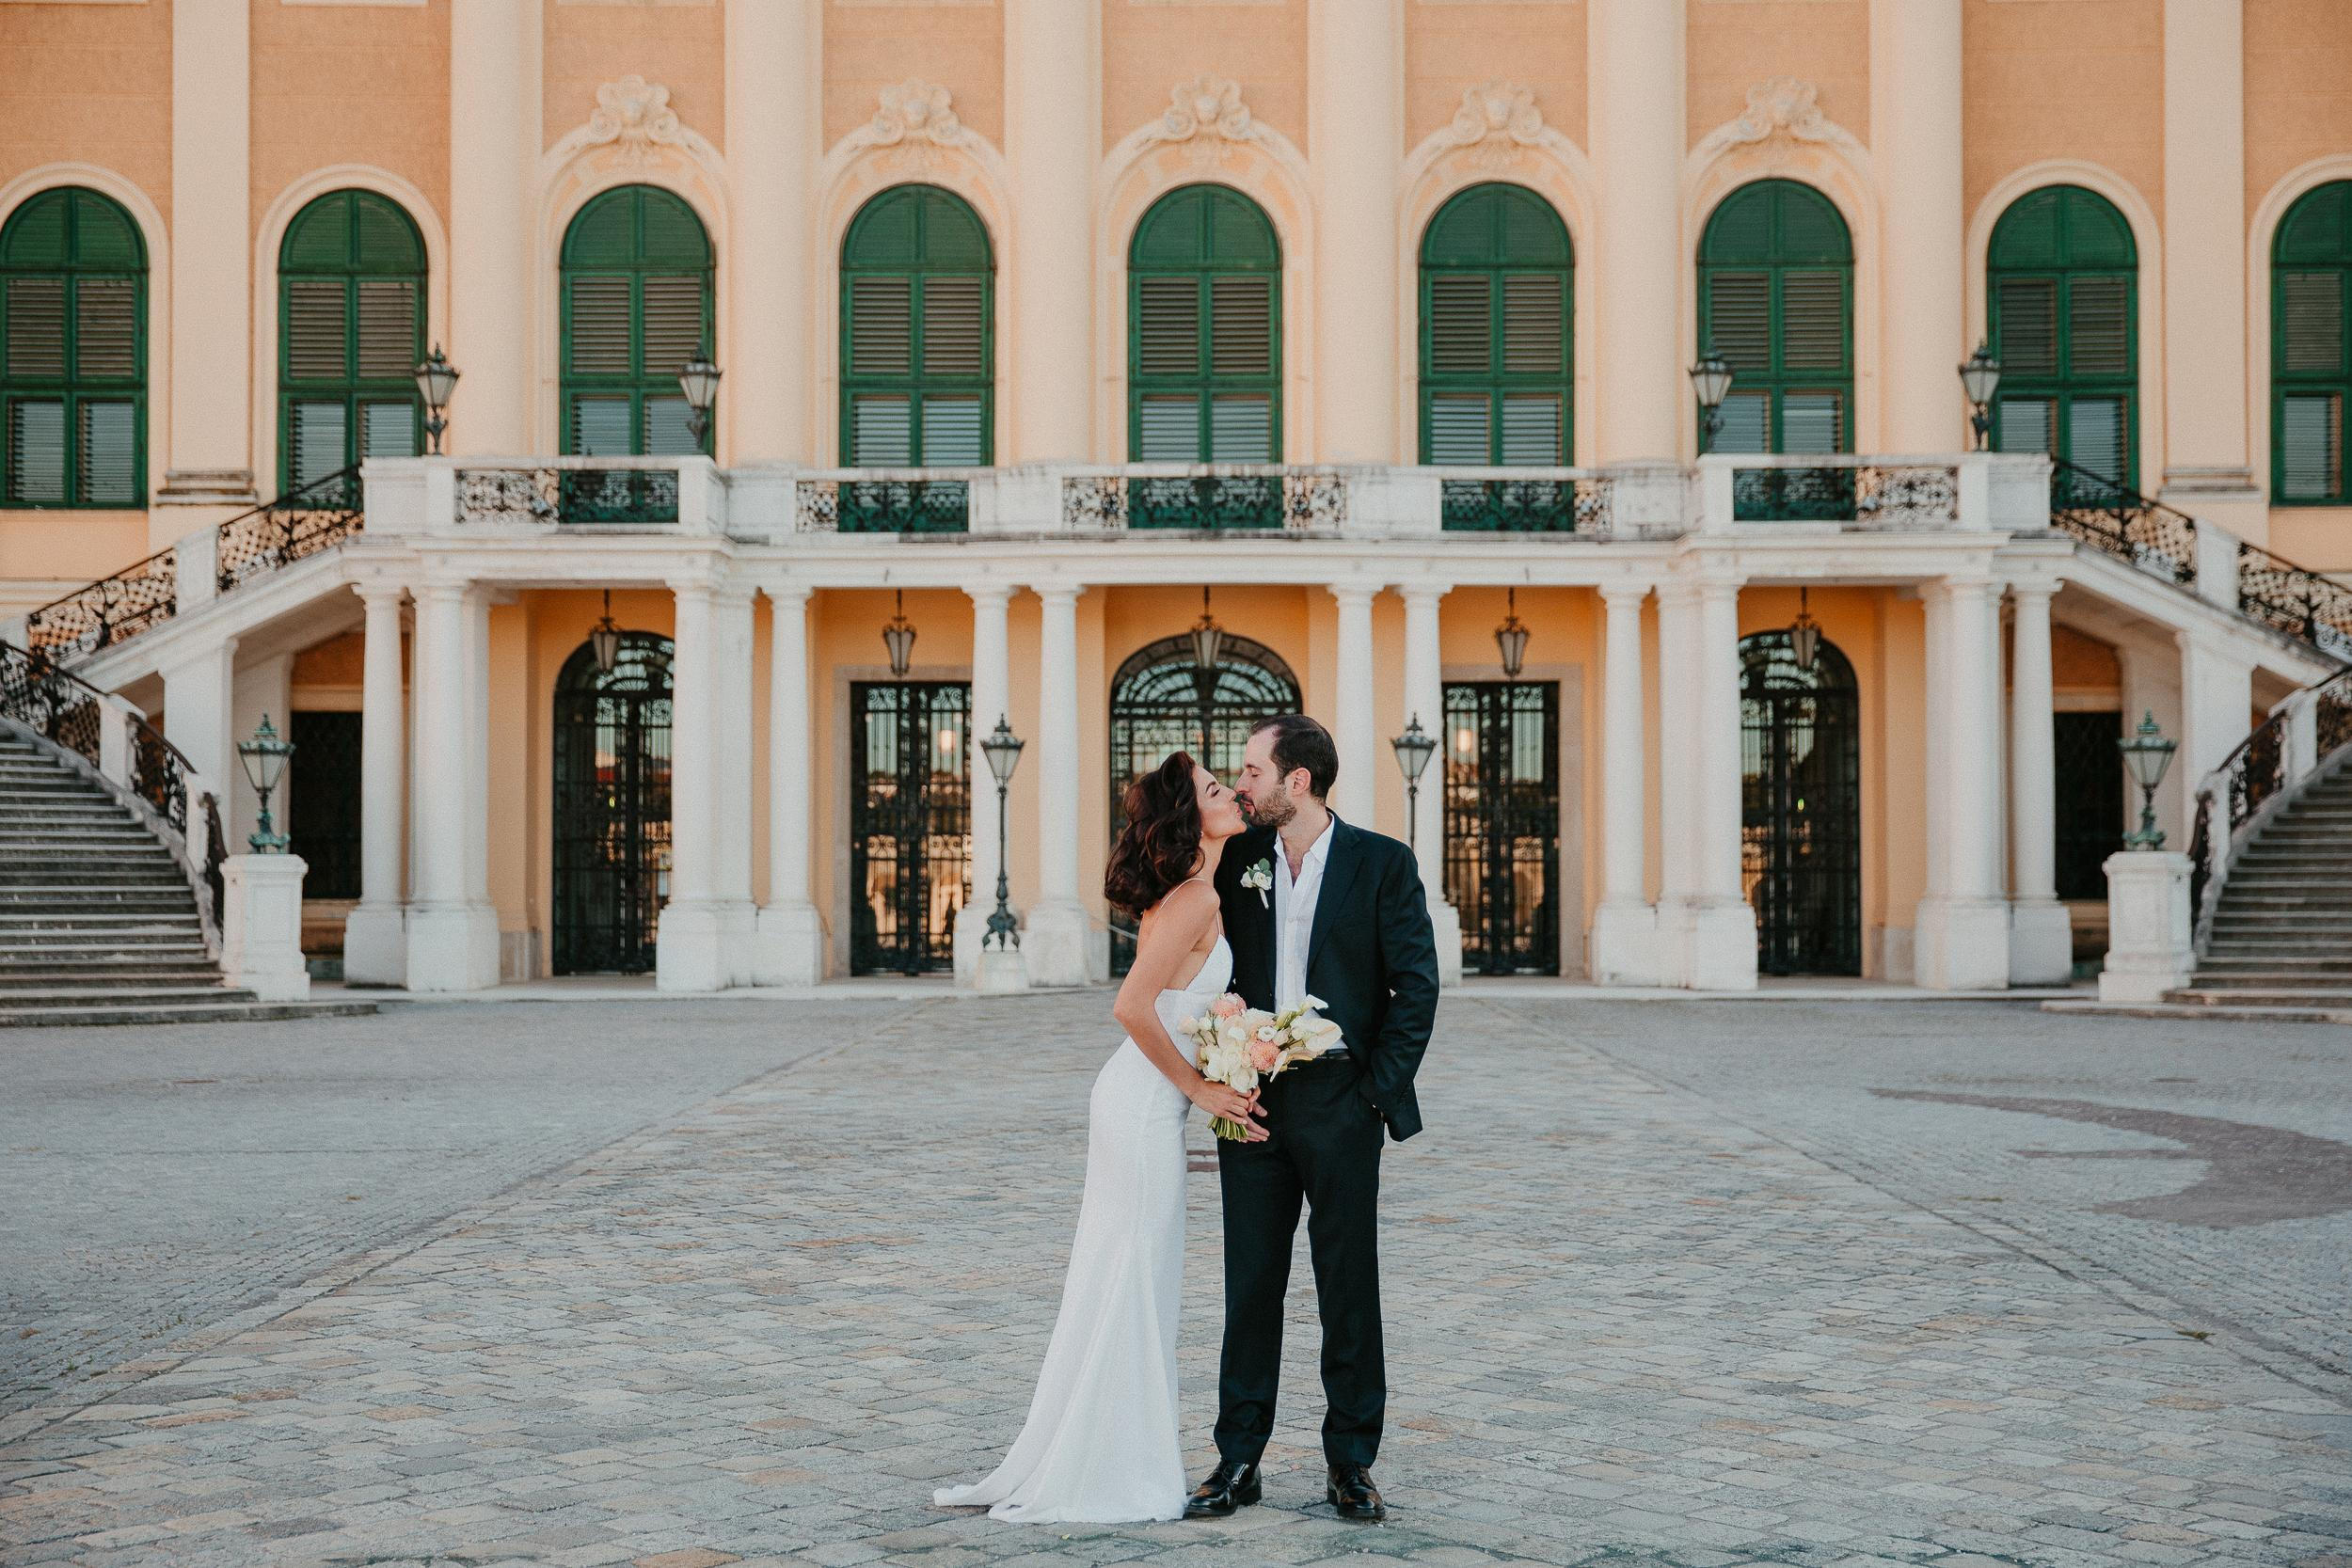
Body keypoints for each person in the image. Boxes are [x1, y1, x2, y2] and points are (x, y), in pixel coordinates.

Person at [932, 752, 1263, 1523]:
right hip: (1144, 1106)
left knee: (1128, 1277)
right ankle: (1114, 1469)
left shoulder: (1200, 894)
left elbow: (1175, 1000)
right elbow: (1131, 1005)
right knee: (1135, 1281)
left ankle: (1113, 1450)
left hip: (1141, 1102)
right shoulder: (1192, 898)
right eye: (1218, 790)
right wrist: (1200, 1085)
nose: (1233, 795)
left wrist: (1225, 1024)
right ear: (1192, 818)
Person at [1184, 713, 1440, 1525]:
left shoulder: (1383, 864)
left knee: (1347, 1280)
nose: (1244, 780)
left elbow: (1416, 987)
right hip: (1249, 1100)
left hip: (1340, 1101)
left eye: (1254, 770)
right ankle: (1238, 1456)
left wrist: (1373, 1093)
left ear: (1297, 781)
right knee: (1250, 1281)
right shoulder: (1240, 862)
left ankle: (1351, 1461)